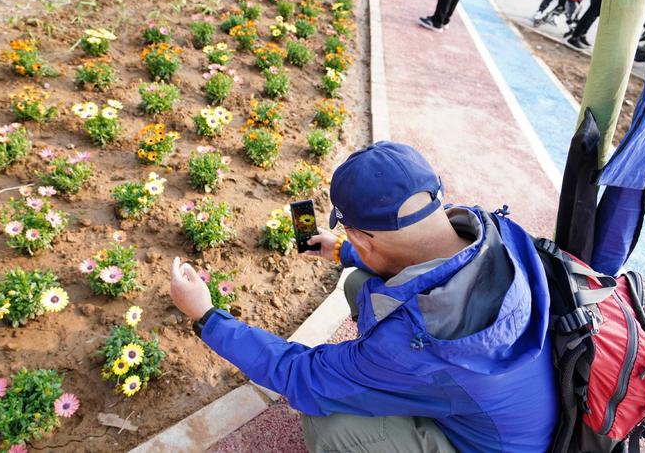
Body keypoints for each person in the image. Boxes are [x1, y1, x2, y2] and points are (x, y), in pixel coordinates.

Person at [170, 142, 559, 452]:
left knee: (331, 423)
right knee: (360, 283)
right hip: (508, 402)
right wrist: (345, 252)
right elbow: (417, 253)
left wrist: (206, 316)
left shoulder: (411, 344)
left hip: (488, 443)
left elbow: (303, 376)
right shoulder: (491, 230)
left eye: (353, 238)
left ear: (361, 235)